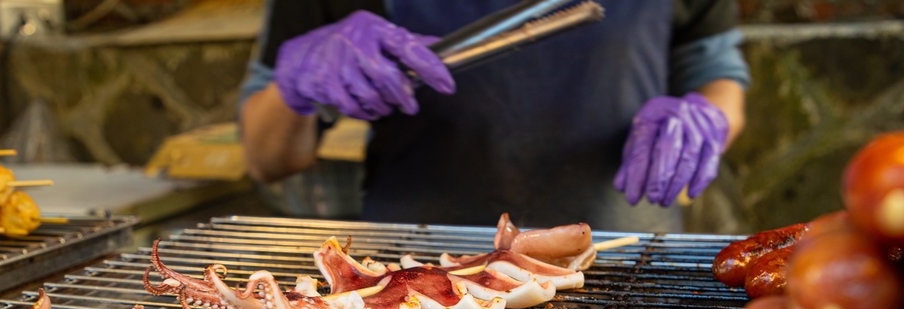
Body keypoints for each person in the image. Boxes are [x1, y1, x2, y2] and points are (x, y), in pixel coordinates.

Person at [238, 0, 749, 232]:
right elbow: (266, 159)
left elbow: (715, 70)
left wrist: (707, 115)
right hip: (413, 274)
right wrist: (294, 87)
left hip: (621, 257)